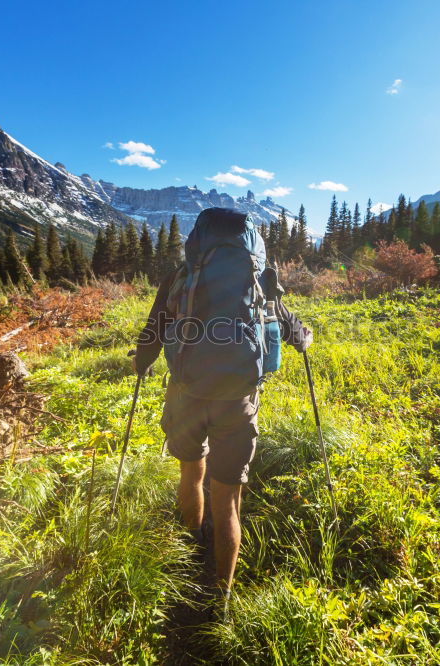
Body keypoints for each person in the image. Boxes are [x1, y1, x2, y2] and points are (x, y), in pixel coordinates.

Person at [132, 207, 312, 617]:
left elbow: (154, 329)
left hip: (186, 392)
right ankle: (222, 598)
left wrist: (141, 363)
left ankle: (192, 540)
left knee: (191, 472)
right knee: (228, 498)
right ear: (252, 243)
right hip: (239, 398)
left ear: (199, 239)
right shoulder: (261, 280)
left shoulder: (180, 275)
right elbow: (296, 335)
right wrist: (305, 338)